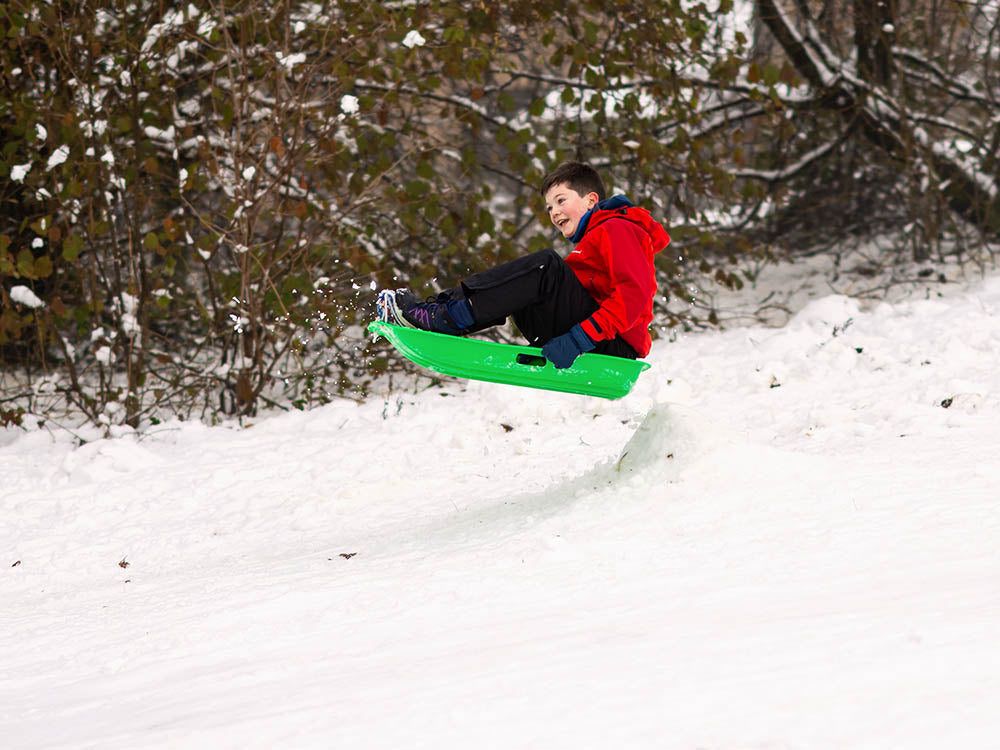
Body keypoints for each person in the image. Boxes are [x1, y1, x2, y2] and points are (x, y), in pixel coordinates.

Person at [377, 161, 670, 369]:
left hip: (612, 347)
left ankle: (444, 318)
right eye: (549, 208)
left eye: (560, 200)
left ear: (591, 200)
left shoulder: (619, 228)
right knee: (528, 280)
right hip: (589, 336)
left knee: (545, 267)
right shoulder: (592, 242)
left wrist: (578, 340)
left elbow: (634, 295)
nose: (554, 213)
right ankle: (441, 313)